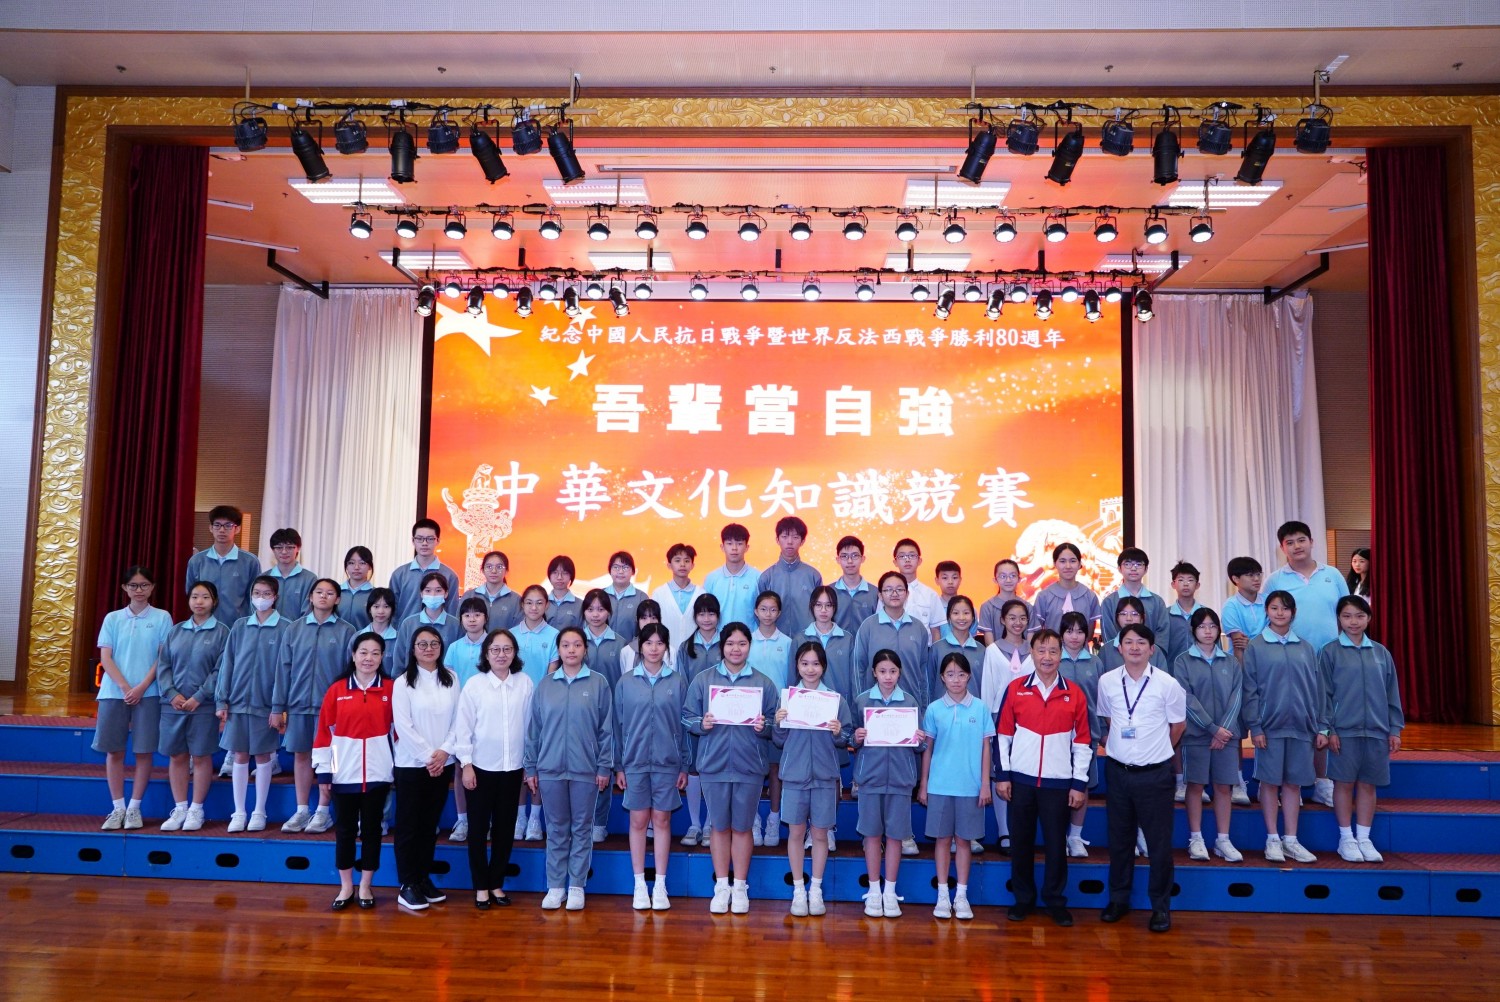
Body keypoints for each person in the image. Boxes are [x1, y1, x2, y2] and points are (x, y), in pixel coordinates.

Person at [995, 628, 1092, 927]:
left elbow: (1083, 742)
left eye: (1053, 651)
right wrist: (1003, 776)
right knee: (1020, 843)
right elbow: (1003, 736)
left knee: (1056, 846)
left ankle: (1055, 900)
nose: (1047, 657)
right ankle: (1023, 900)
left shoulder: (1074, 693)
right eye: (1041, 650)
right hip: (1021, 781)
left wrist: (1078, 783)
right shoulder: (1016, 689)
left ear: (1060, 655)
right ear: (1032, 653)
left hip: (1058, 783)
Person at [683, 622, 779, 914]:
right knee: (719, 827)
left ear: (749, 646)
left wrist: (765, 726)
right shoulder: (704, 680)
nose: (736, 649)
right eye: (730, 643)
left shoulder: (763, 683)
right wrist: (702, 723)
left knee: (742, 827)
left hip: (750, 766)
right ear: (721, 647)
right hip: (713, 765)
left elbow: (775, 723)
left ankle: (740, 886)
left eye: (742, 643)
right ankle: (721, 886)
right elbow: (687, 716)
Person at [1096, 623, 1186, 933]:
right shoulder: (1107, 682)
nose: (1134, 647)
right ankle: (1118, 900)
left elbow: (1178, 726)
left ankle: (1160, 907)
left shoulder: (1167, 684)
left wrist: (1156, 750)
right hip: (1118, 772)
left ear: (1152, 649)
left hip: (1155, 775)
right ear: (1119, 648)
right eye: (1129, 642)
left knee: (1159, 845)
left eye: (1141, 643)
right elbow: (1110, 719)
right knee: (1120, 841)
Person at [524, 626, 615, 911]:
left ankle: (576, 885)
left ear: (585, 649)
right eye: (565, 645)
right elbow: (534, 730)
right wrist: (531, 767)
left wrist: (604, 766)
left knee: (582, 828)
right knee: (556, 829)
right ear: (559, 650)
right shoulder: (546, 685)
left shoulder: (598, 683)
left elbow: (606, 730)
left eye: (577, 644)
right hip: (550, 769)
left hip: (586, 770)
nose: (571, 650)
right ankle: (555, 886)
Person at [451, 628, 534, 909]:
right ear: (486, 654)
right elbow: (463, 729)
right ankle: (480, 886)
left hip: (513, 768)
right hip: (480, 768)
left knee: (504, 829)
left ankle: (496, 883)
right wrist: (466, 765)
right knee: (477, 830)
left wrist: (529, 764)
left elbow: (530, 727)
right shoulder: (474, 685)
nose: (501, 654)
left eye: (507, 649)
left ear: (514, 653)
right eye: (495, 650)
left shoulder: (524, 683)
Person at [1242, 590, 1326, 864]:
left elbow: (1317, 689)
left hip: (1302, 728)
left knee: (1293, 785)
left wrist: (1321, 726)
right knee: (1269, 784)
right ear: (1267, 611)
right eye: (1275, 608)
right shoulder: (1256, 646)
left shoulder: (1306, 647)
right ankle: (1272, 839)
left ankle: (1291, 840)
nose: (1280, 613)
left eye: (1285, 608)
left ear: (1293, 613)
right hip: (1270, 729)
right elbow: (1250, 690)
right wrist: (1256, 727)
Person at [313, 634, 393, 911]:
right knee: (345, 831)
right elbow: (324, 734)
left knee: (372, 830)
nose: (369, 658)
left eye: (375, 653)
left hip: (378, 775)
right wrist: (325, 773)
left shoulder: (391, 689)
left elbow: (399, 733)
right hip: (343, 774)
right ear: (353, 655)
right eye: (363, 652)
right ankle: (346, 886)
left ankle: (366, 885)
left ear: (382, 657)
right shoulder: (336, 690)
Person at [1321, 595, 1403, 863]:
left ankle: (1364, 838)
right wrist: (1329, 729)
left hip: (1377, 731)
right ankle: (1346, 838)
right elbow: (1323, 695)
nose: (1353, 622)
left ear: (1369, 618)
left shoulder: (1381, 653)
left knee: (1369, 785)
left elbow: (1392, 693)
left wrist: (1394, 728)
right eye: (1346, 616)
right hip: (1344, 732)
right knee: (1343, 784)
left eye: (1359, 616)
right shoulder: (1330, 652)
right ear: (1339, 619)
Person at [772, 641, 852, 917]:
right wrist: (778, 722)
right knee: (795, 833)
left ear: (824, 667)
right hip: (794, 775)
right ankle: (798, 889)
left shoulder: (834, 700)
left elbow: (846, 738)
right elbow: (779, 740)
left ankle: (815, 889)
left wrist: (838, 732)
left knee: (820, 834)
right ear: (797, 666)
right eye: (804, 663)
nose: (810, 669)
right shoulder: (788, 699)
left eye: (816, 664)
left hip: (825, 776)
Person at [613, 622, 689, 911]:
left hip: (667, 763)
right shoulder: (626, 682)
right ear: (640, 647)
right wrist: (619, 766)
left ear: (666, 647)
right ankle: (638, 884)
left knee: (662, 820)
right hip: (634, 763)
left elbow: (684, 726)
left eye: (659, 643)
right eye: (648, 643)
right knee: (637, 821)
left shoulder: (677, 681)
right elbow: (617, 726)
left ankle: (660, 884)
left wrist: (684, 765)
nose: (654, 648)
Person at [272, 577, 355, 835]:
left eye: (330, 593)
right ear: (310, 597)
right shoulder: (294, 629)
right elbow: (283, 669)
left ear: (337, 599)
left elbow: (349, 673)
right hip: (298, 705)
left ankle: (322, 810)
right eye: (319, 592)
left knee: (328, 759)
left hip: (331, 709)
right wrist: (277, 706)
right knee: (301, 755)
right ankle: (301, 810)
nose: (323, 596)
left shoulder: (346, 631)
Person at [95, 565, 173, 831]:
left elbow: (162, 658)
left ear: (152, 588)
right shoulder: (113, 618)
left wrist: (140, 687)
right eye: (134, 585)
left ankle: (134, 808)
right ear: (124, 588)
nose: (139, 590)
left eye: (144, 585)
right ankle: (117, 807)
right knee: (114, 750)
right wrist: (125, 686)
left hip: (148, 693)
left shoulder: (162, 617)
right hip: (113, 693)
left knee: (143, 750)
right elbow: (106, 657)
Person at [392, 624, 460, 912]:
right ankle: (407, 883)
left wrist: (444, 752)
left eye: (434, 643)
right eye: (422, 644)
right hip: (411, 764)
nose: (428, 648)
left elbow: (459, 720)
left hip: (443, 763)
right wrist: (429, 756)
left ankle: (422, 878)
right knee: (409, 824)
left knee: (430, 824)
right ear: (413, 649)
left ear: (441, 648)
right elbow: (403, 725)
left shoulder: (452, 678)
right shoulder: (402, 682)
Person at [918, 652, 992, 921]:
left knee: (963, 841)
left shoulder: (980, 708)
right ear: (942, 678)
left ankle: (961, 895)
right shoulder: (934, 709)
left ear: (969, 676)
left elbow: (986, 748)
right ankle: (942, 894)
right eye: (950, 675)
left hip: (970, 787)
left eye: (961, 674)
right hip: (939, 785)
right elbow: (927, 749)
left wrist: (985, 784)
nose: (956, 680)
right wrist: (924, 784)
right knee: (941, 840)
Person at [851, 649, 922, 917]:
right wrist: (856, 736)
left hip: (901, 780)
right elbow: (849, 737)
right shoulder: (862, 701)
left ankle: (890, 891)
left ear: (899, 672)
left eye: (893, 671)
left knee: (895, 836)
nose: (888, 676)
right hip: (870, 779)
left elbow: (920, 745)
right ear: (874, 673)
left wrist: (919, 738)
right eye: (882, 671)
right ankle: (873, 890)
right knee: (871, 835)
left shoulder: (910, 701)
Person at [214, 574, 286, 832]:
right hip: (237, 702)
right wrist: (222, 699)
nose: (261, 598)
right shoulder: (240, 626)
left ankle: (259, 811)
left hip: (265, 705)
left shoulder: (285, 627)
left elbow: (284, 670)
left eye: (266, 593)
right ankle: (239, 812)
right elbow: (228, 663)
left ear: (275, 597)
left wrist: (278, 707)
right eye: (257, 593)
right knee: (240, 755)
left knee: (263, 755)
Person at [1173, 608, 1246, 863]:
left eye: (1212, 626)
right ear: (1193, 630)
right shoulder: (1183, 661)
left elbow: (1237, 695)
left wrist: (1223, 729)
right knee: (1194, 787)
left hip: (1227, 736)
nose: (1207, 631)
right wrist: (1212, 728)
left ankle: (1223, 840)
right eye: (1202, 626)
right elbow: (1186, 698)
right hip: (1197, 736)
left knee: (1224, 788)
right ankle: (1196, 838)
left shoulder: (1231, 661)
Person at [156, 581, 230, 832]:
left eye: (205, 597)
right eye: (195, 596)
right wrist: (171, 693)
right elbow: (163, 665)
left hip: (203, 705)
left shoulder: (222, 632)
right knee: (177, 755)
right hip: (173, 705)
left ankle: (197, 809)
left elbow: (220, 670)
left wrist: (200, 696)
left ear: (214, 601)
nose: (199, 602)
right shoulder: (176, 631)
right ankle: (180, 808)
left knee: (200, 755)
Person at [442, 596, 491, 843]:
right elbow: (448, 681)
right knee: (462, 768)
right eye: (467, 615)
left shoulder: (493, 645)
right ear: (461, 619)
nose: (472, 619)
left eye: (477, 615)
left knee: (487, 770)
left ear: (486, 618)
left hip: (488, 714)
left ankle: (486, 821)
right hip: (460, 715)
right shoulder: (454, 648)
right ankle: (463, 820)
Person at [513, 583, 560, 840]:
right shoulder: (510, 635)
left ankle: (534, 819)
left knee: (538, 764)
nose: (534, 607)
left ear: (547, 605)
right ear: (522, 605)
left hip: (542, 707)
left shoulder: (554, 636)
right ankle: (519, 817)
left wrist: (541, 702)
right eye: (529, 602)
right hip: (514, 707)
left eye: (539, 602)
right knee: (519, 763)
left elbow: (551, 675)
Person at [676, 593, 722, 848]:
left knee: (713, 769)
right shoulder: (686, 647)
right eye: (702, 614)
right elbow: (682, 683)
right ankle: (695, 824)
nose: (706, 619)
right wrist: (690, 715)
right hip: (694, 718)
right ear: (695, 617)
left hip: (720, 719)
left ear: (718, 616)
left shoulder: (726, 643)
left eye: (711, 613)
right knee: (693, 768)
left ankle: (710, 824)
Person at [747, 590, 793, 847]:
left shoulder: (787, 643)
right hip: (751, 715)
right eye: (763, 609)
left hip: (777, 714)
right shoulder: (747, 641)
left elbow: (790, 680)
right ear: (756, 611)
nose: (768, 614)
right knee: (754, 768)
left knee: (775, 769)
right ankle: (754, 819)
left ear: (779, 612)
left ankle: (774, 819)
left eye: (773, 609)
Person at [1056, 611, 1102, 858]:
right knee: (1059, 787)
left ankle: (1075, 836)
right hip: (1057, 736)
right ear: (1061, 634)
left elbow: (1101, 702)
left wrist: (1102, 732)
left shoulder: (1095, 663)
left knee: (1081, 786)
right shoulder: (1054, 660)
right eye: (1069, 631)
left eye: (1080, 631)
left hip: (1087, 736)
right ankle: (1059, 836)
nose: (1074, 636)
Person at [851, 571, 932, 711]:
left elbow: (923, 672)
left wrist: (924, 707)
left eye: (899, 589)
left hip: (911, 705)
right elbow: (858, 668)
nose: (894, 593)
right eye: (888, 590)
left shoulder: (918, 628)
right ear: (880, 595)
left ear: (907, 594)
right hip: (874, 707)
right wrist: (859, 704)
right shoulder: (868, 626)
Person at [185, 506, 260, 627]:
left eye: (228, 525)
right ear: (211, 528)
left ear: (237, 529)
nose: (221, 530)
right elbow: (190, 594)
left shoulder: (250, 561)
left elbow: (254, 597)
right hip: (204, 626)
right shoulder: (197, 561)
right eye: (217, 525)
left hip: (237, 628)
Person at [756, 517, 823, 639]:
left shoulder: (813, 575)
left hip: (807, 640)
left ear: (802, 541)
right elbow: (760, 612)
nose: (790, 542)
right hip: (774, 640)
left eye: (795, 537)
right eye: (784, 537)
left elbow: (820, 610)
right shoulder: (766, 577)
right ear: (777, 540)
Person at [391, 571, 463, 676]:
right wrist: (397, 678)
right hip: (412, 679)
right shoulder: (408, 623)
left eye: (438, 590)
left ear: (446, 593)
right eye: (428, 591)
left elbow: (459, 658)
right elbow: (399, 657)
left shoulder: (455, 625)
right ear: (421, 593)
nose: (433, 595)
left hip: (445, 680)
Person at [389, 518, 460, 622]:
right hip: (406, 630)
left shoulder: (449, 575)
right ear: (413, 541)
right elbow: (391, 609)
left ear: (438, 541)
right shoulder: (399, 574)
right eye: (419, 538)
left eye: (430, 539)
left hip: (438, 631)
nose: (424, 543)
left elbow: (452, 611)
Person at [1100, 547, 1170, 643]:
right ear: (1119, 568)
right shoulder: (1109, 602)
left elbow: (1162, 634)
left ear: (1146, 569)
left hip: (1151, 652)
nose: (1133, 568)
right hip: (1117, 652)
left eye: (1138, 564)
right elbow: (1108, 634)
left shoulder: (1157, 602)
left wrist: (1151, 651)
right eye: (1127, 564)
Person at [1033, 543, 1101, 634]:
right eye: (1062, 561)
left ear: (1079, 564)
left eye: (1073, 561)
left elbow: (1089, 633)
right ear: (1055, 564)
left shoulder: (1090, 596)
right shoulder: (1043, 596)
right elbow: (1037, 632)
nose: (1068, 566)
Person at [703, 523, 759, 630]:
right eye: (729, 543)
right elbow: (704, 611)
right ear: (722, 547)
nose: (734, 548)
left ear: (747, 547)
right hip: (719, 638)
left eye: (739, 543)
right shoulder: (711, 578)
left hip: (750, 638)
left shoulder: (758, 577)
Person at [651, 542, 702, 654]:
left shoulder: (701, 594)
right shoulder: (658, 594)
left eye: (687, 561)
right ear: (669, 565)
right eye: (677, 560)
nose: (682, 564)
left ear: (692, 565)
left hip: (694, 653)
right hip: (665, 654)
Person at [893, 538, 945, 632]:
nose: (907, 560)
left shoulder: (931, 595)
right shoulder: (887, 593)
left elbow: (935, 631)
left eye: (912, 555)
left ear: (919, 561)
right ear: (895, 562)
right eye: (902, 556)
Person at [978, 558, 1037, 640]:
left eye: (1013, 576)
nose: (1008, 580)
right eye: (1003, 576)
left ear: (1019, 579)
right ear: (995, 580)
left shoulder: (1028, 607)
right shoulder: (987, 607)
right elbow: (989, 642)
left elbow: (1030, 640)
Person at [1221, 556, 1267, 660]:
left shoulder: (1269, 601)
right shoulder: (1231, 606)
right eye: (1250, 575)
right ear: (1235, 579)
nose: (1257, 579)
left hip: (1269, 659)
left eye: (1258, 574)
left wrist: (1251, 644)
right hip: (1244, 661)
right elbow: (1239, 646)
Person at [464, 550, 521, 631]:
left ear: (506, 571)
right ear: (482, 570)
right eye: (489, 567)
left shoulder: (516, 600)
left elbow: (518, 630)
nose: (494, 571)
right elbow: (460, 626)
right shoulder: (469, 596)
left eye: (499, 567)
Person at [1162, 560, 1205, 667]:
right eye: (1181, 580)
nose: (1186, 584)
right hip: (1172, 670)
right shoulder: (1165, 615)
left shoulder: (1205, 614)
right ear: (1173, 584)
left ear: (1197, 585)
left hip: (1201, 670)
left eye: (1190, 580)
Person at [266, 527, 316, 619]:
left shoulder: (309, 579)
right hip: (269, 627)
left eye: (289, 547)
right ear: (273, 549)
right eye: (279, 547)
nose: (284, 552)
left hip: (299, 628)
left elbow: (308, 613)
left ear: (298, 548)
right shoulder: (264, 578)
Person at [831, 535, 877, 634]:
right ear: (838, 559)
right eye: (844, 556)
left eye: (855, 555)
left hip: (866, 644)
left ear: (863, 558)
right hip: (836, 643)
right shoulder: (829, 592)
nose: (850, 561)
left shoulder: (875, 593)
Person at [350, 586, 399, 677]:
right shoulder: (357, 637)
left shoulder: (398, 639)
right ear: (369, 609)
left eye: (386, 607)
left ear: (392, 609)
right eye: (376, 606)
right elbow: (349, 665)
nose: (381, 611)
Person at [604, 551, 645, 639]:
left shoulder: (642, 598)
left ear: (633, 571)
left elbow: (646, 630)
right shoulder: (600, 595)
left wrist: (632, 646)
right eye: (616, 567)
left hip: (631, 647)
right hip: (602, 647)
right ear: (610, 570)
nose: (620, 571)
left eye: (625, 567)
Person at [340, 546, 377, 632]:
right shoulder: (335, 592)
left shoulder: (376, 595)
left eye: (362, 563)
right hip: (336, 639)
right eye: (351, 563)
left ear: (370, 566)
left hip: (365, 639)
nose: (356, 567)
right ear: (346, 566)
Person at [545, 555, 582, 629]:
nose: (559, 577)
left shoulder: (580, 605)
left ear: (571, 576)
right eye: (555, 572)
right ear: (549, 575)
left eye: (565, 573)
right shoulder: (542, 602)